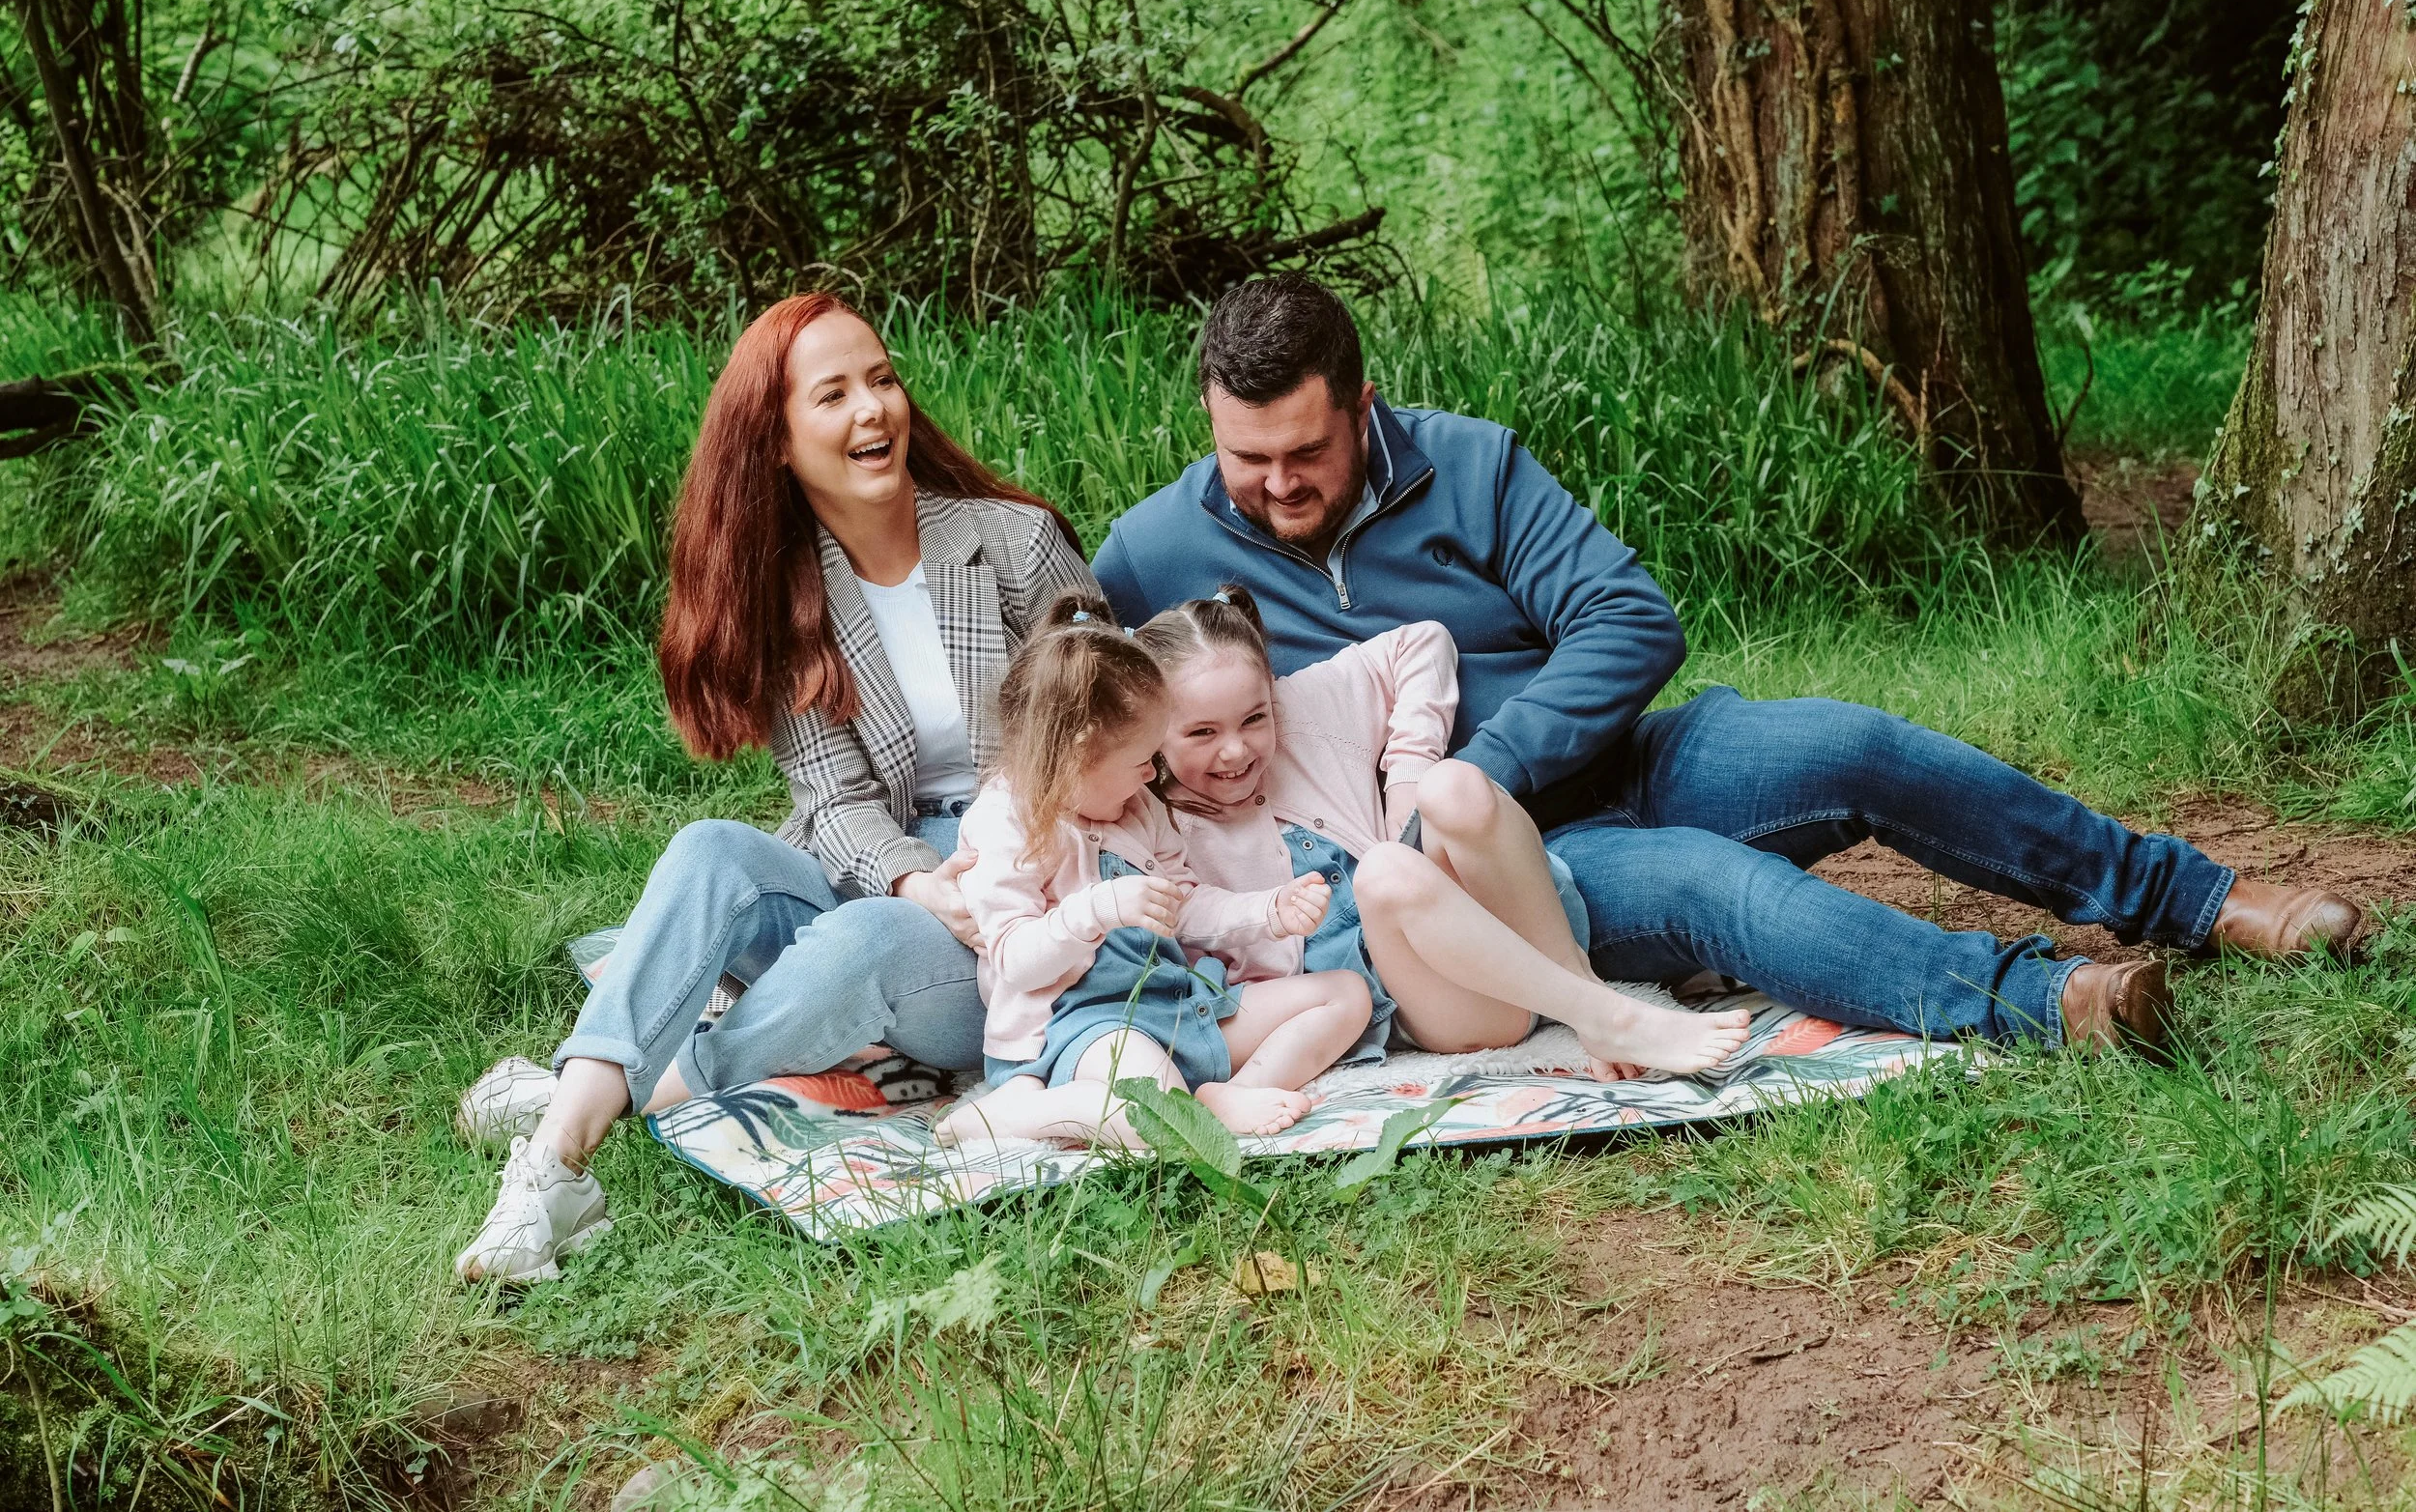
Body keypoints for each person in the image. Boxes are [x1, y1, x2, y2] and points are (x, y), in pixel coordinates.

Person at [1092, 274, 2370, 1059]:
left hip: (1624, 760)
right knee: (1717, 884)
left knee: (1850, 739)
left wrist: (1477, 764)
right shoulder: (1154, 551)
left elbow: (1629, 620)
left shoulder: (1466, 463)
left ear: (1362, 407)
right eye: (1243, 459)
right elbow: (1077, 726)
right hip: (1515, 876)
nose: (1274, 486)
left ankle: (2196, 898)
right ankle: (2048, 1002)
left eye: (1302, 450)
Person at [453, 293, 1095, 1283]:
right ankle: (559, 1170)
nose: (872, 410)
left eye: (881, 379)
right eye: (832, 394)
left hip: (1027, 896)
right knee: (711, 848)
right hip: (892, 872)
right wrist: (922, 881)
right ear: (779, 442)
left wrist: (998, 863)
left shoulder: (1011, 542)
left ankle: (600, 1093)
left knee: (861, 939)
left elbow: (1104, 723)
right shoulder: (793, 594)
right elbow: (835, 804)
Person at [1140, 585, 1753, 1079]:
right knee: (1383, 870)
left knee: (1452, 787)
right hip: (1428, 998)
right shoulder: (1148, 817)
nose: (1237, 750)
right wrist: (1271, 910)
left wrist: (1405, 781)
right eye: (1201, 733)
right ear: (1151, 733)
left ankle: (1587, 997)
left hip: (1503, 922)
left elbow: (1423, 641)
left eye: (1255, 718)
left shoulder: (1304, 708)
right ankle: (1605, 1014)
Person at [936, 594, 1355, 1147]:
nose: (1152, 777)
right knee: (1158, 1119)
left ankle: (1230, 1093)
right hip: (1083, 1028)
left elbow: (1182, 905)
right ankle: (1007, 1116)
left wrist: (1268, 911)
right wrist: (1099, 907)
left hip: (1173, 1001)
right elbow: (1016, 962)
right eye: (1141, 762)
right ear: (1079, 757)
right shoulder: (1007, 822)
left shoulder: (1136, 808)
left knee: (1344, 994)